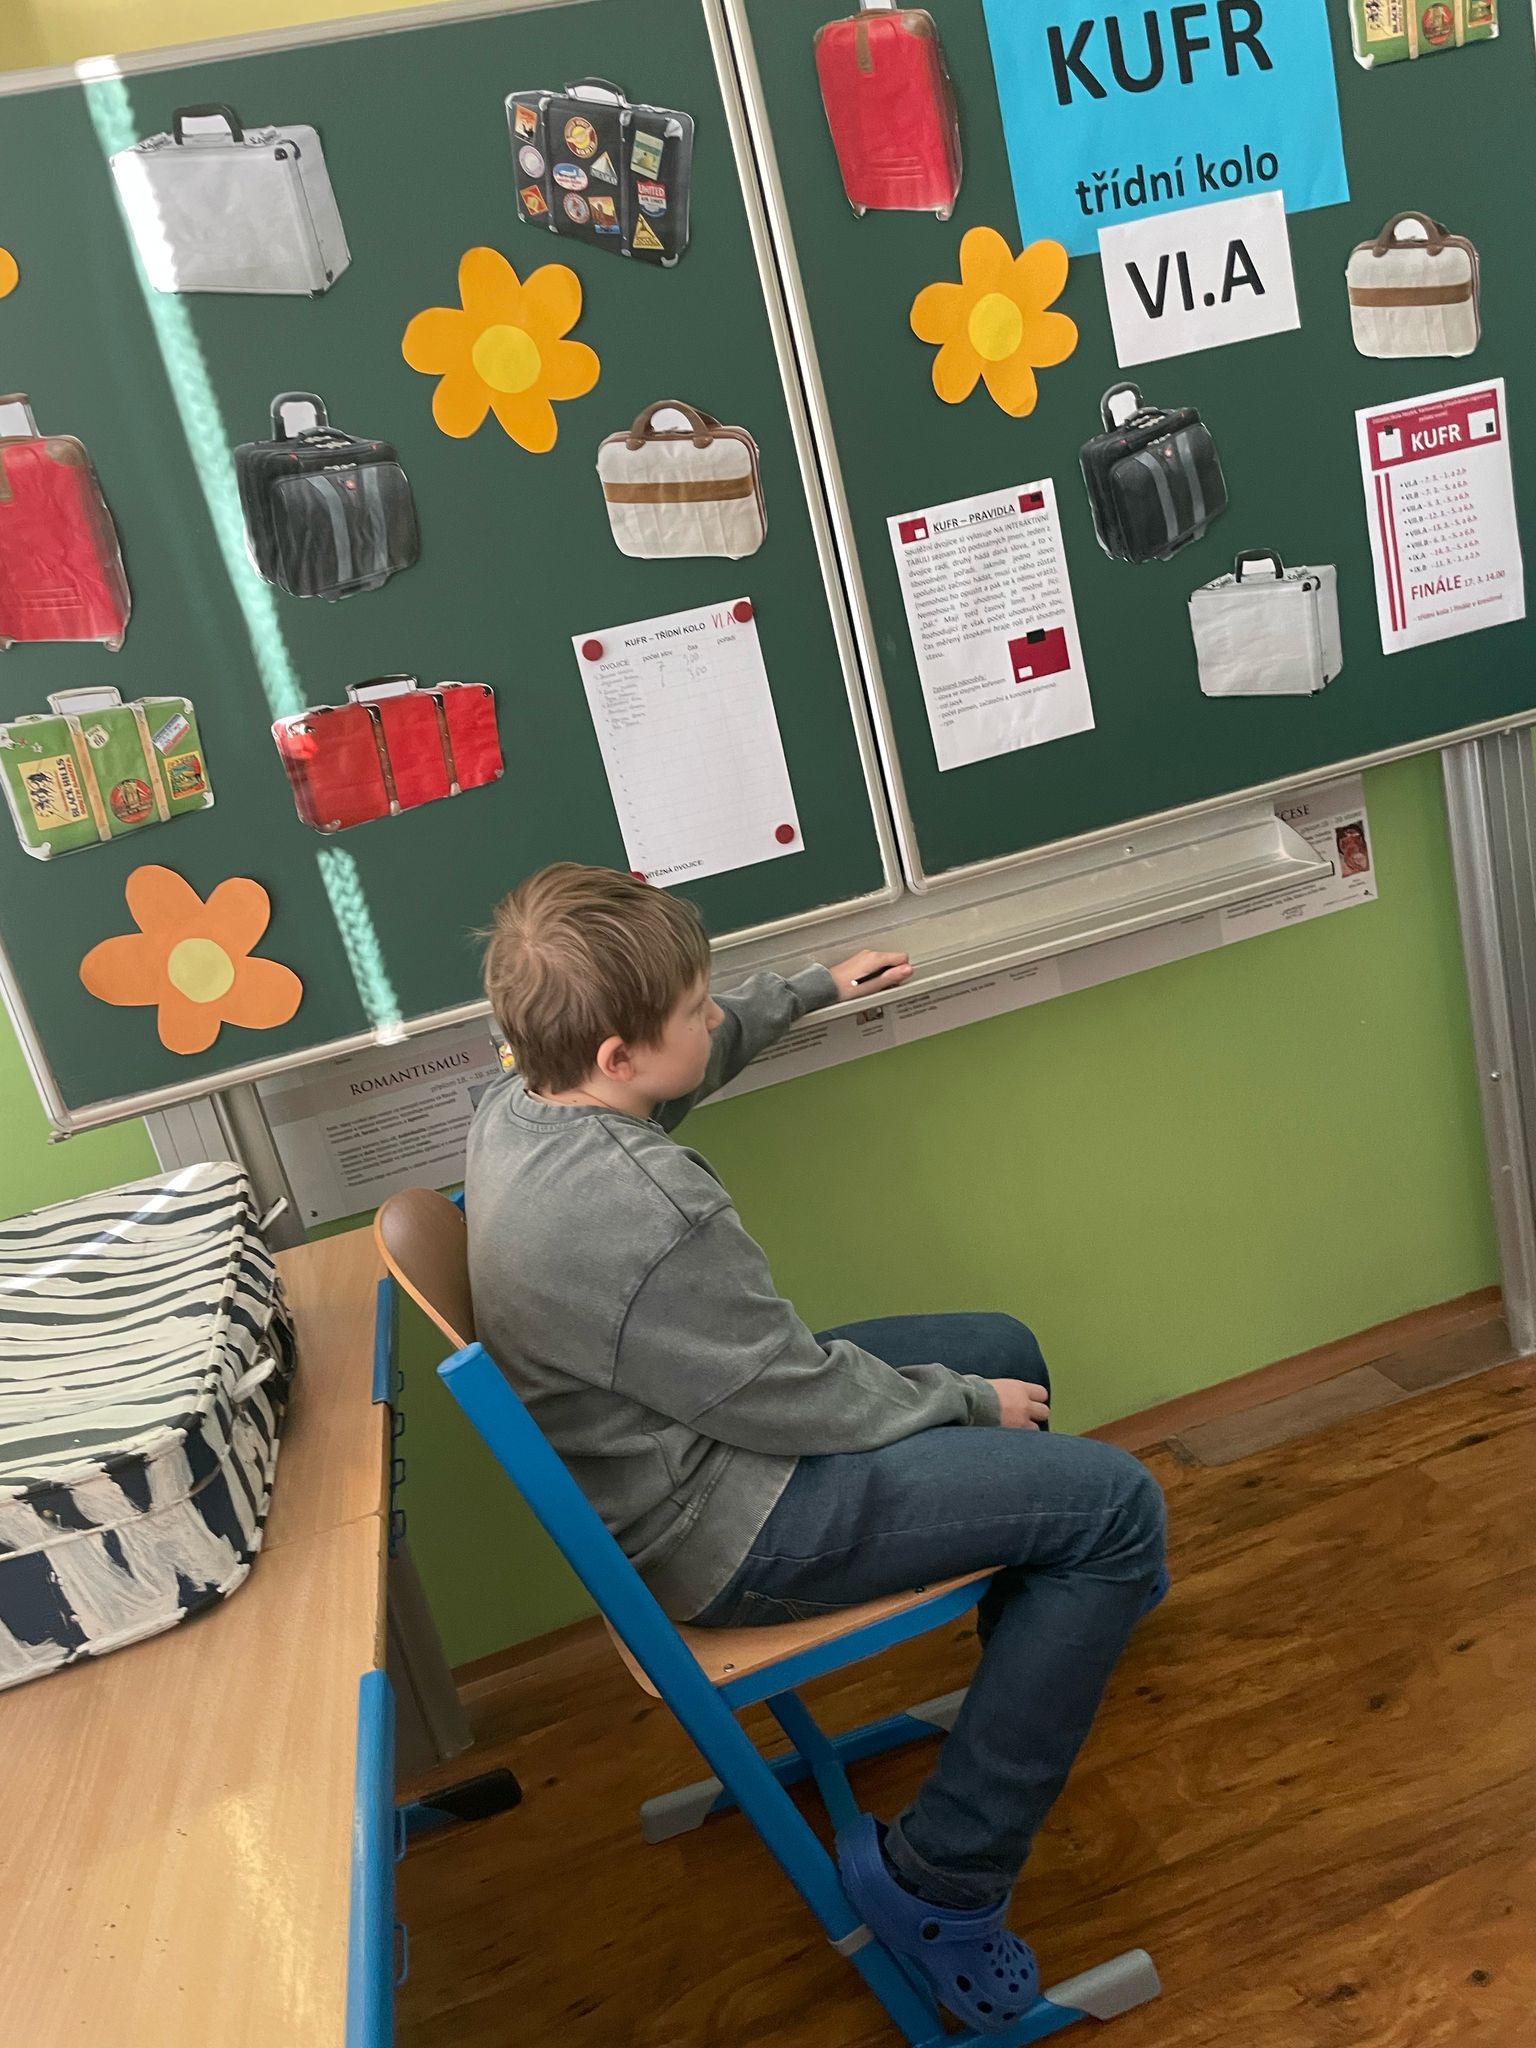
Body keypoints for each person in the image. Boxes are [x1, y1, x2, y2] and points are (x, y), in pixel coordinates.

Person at [466, 864, 1168, 2035]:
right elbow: (795, 1393)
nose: (710, 1017)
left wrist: (804, 989)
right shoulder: (649, 1210)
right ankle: (944, 1877)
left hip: (670, 1447)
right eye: (695, 1008)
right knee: (1118, 1509)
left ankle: (1035, 1658)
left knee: (1008, 1348)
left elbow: (685, 1070)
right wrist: (963, 1404)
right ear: (618, 1055)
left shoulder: (519, 1103)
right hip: (728, 1520)